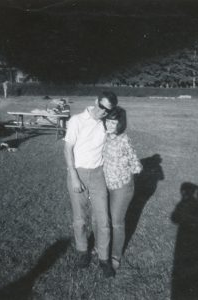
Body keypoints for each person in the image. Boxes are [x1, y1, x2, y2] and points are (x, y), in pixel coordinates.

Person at [64, 91, 118, 278]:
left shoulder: (106, 123)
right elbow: (68, 148)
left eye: (108, 110)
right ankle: (82, 251)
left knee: (103, 220)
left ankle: (104, 258)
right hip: (78, 172)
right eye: (101, 107)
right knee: (80, 219)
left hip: (98, 174)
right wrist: (73, 176)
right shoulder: (76, 120)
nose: (103, 112)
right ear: (95, 101)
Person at [103, 106, 142, 271]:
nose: (110, 124)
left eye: (114, 122)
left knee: (117, 223)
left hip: (122, 188)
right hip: (106, 185)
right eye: (108, 121)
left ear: (120, 123)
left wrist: (122, 171)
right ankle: (101, 248)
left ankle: (115, 255)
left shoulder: (124, 139)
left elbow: (137, 166)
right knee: (104, 219)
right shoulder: (104, 136)